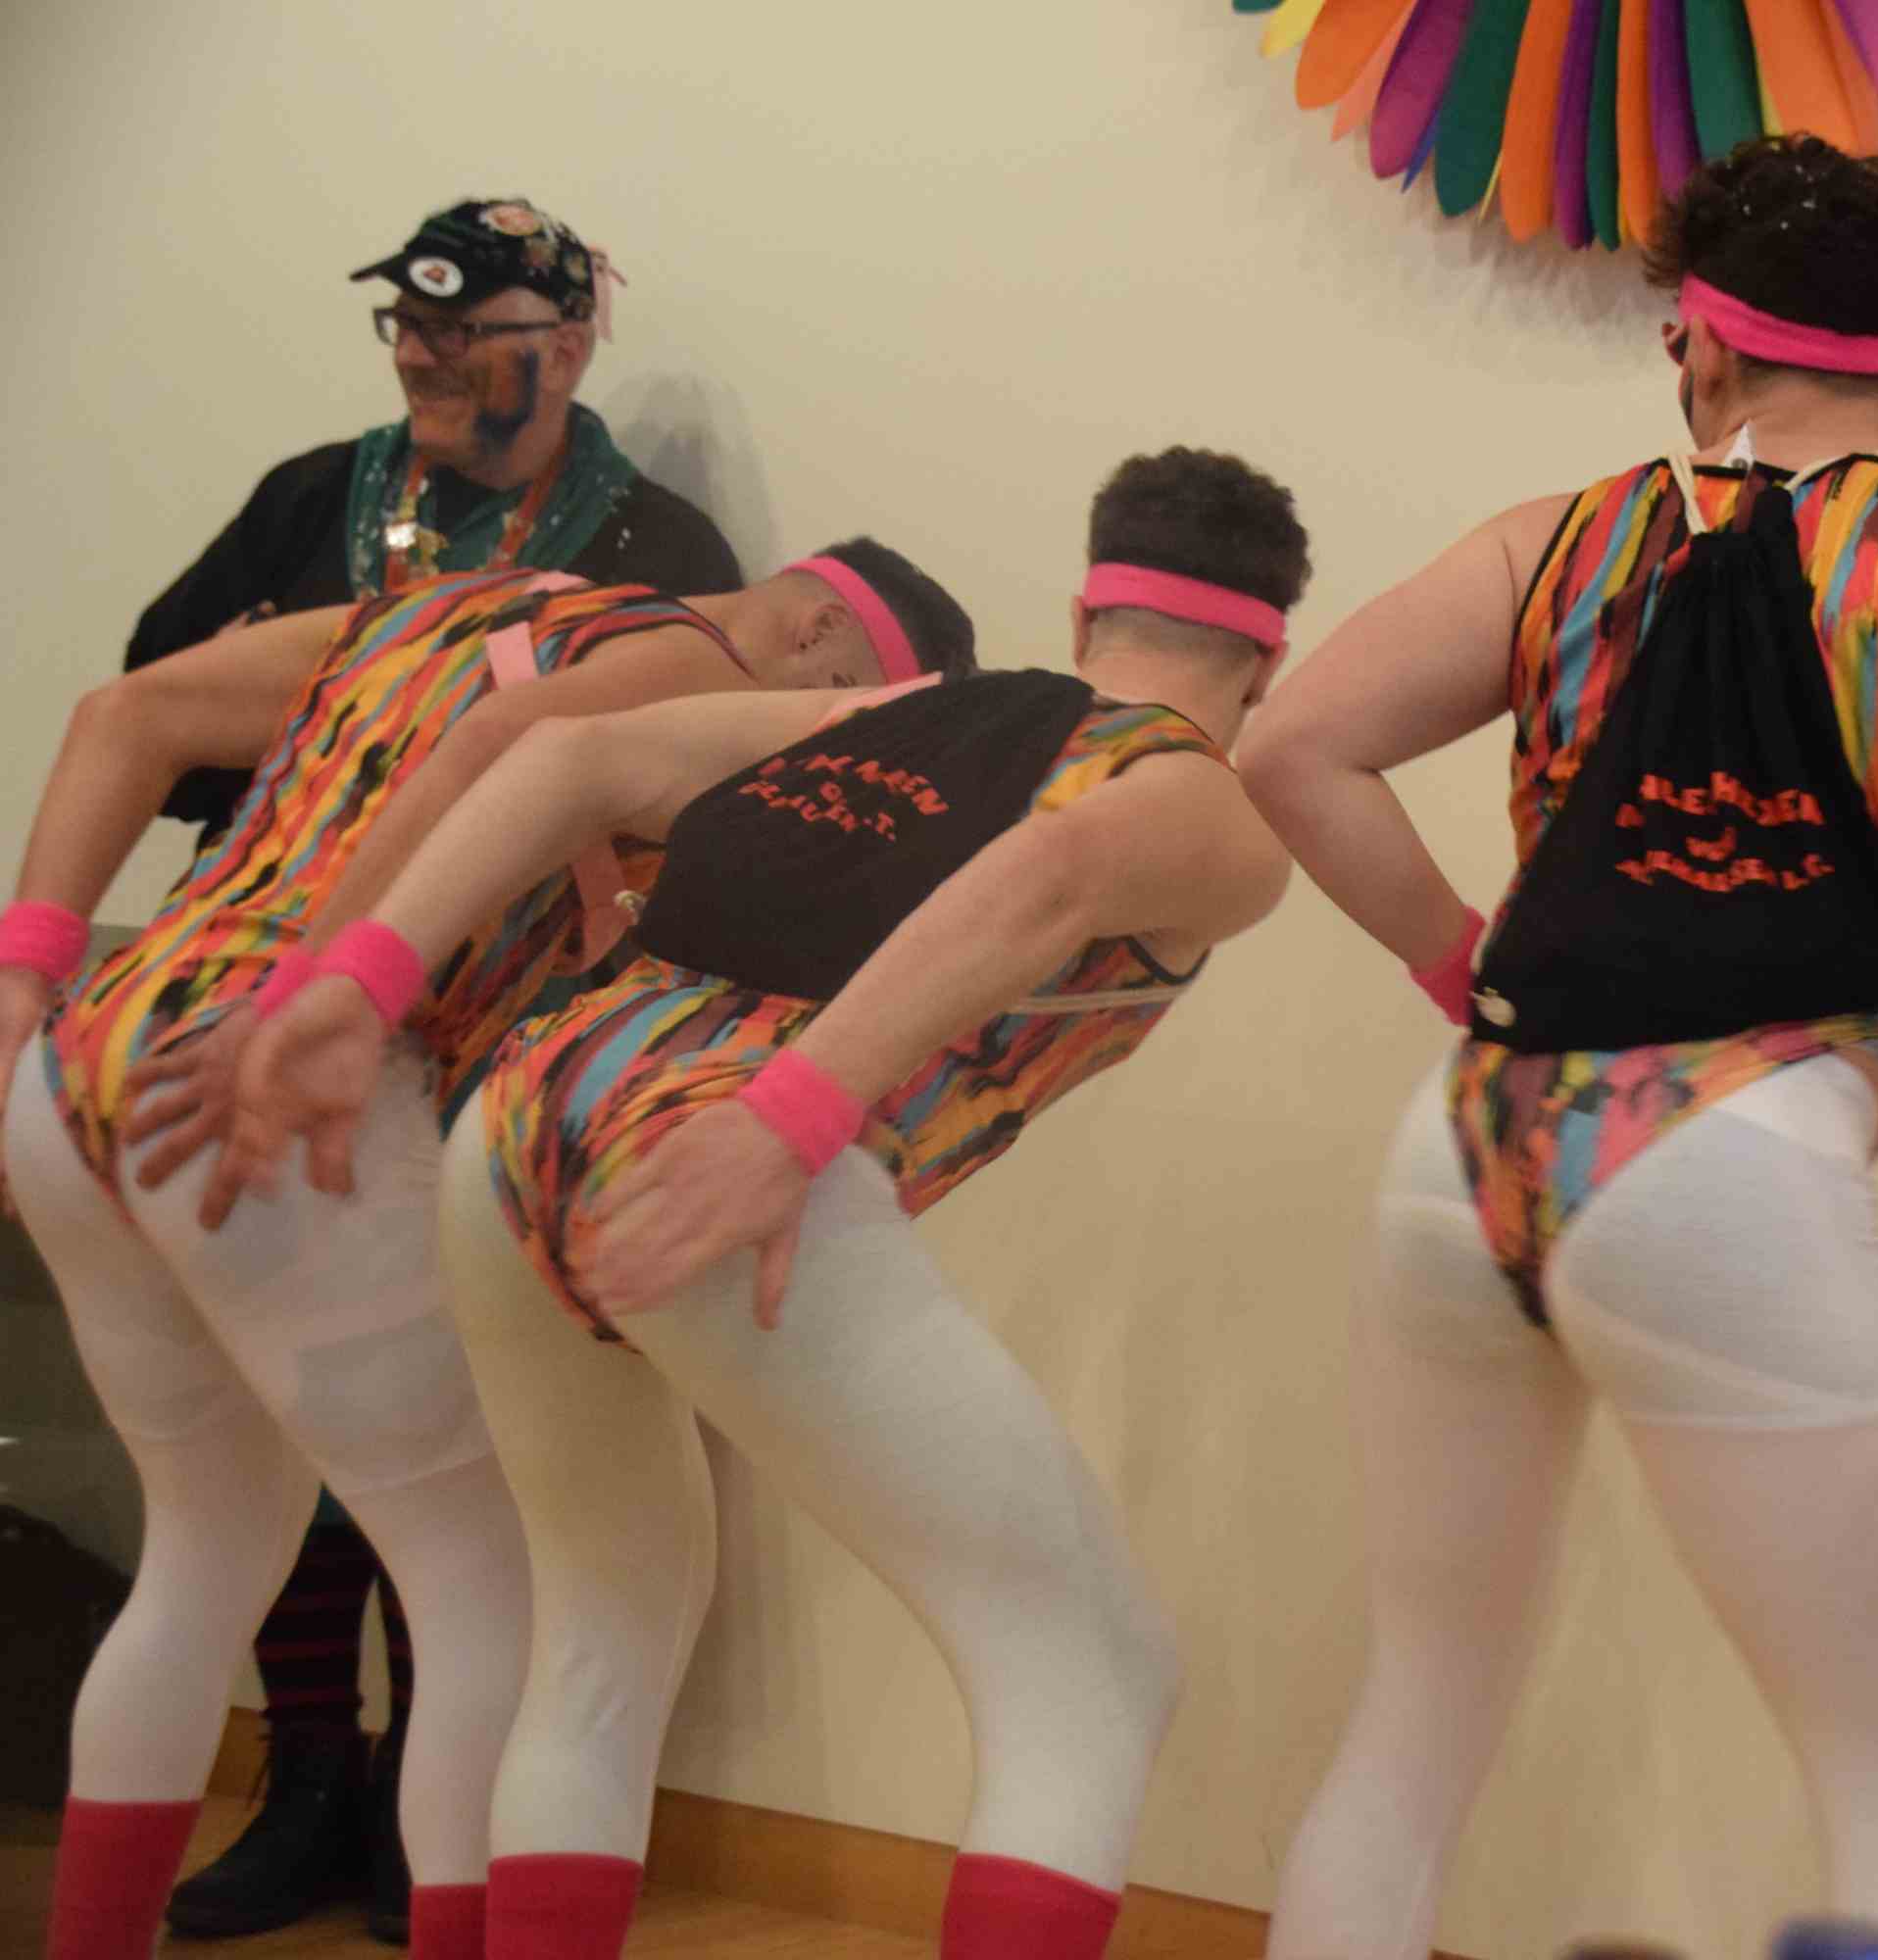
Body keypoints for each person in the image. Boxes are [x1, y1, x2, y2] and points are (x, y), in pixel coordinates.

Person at [1239, 136, 1878, 1960]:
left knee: (1417, 1713)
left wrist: (1462, 966)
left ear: (1696, 346)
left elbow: (1292, 750)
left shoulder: (1557, 539)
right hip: (1736, 1143)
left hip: (1469, 1142)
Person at [230, 448, 1305, 1960]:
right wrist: (790, 1117)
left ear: (1083, 617)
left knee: (602, 1634)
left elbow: (567, 760)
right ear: (1266, 665)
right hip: (705, 1154)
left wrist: (363, 975)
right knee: (1092, 1665)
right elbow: (1055, 871)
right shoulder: (1214, 815)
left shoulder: (889, 713)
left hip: (519, 1127)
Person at [9, 543, 968, 1960]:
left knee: (203, 1558)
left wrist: (21, 981)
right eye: (841, 718)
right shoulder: (690, 658)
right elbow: (508, 746)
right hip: (269, 1083)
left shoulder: (451, 605)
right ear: (820, 629)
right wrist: (316, 990)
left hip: (89, 1055)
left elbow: (124, 715)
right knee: (505, 1596)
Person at [124, 193, 740, 1945]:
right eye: (405, 323)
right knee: (290, 1410)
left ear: (571, 339)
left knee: (456, 1430)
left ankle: (428, 1802)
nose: (424, 356)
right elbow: (157, 697)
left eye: (466, 330)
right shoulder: (315, 495)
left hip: (490, 1022)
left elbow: (682, 791)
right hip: (276, 997)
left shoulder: (660, 547)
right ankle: (307, 1771)